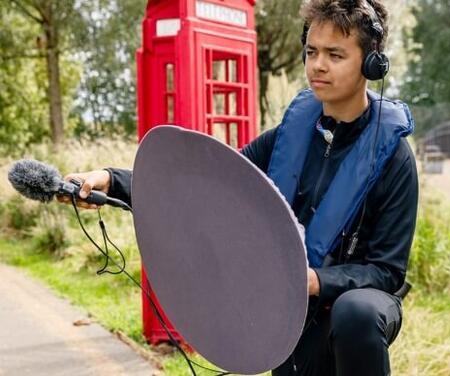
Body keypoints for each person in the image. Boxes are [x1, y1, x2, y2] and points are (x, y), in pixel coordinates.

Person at [59, 0, 418, 375]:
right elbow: (209, 188)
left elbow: (386, 271)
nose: (318, 65)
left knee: (355, 312)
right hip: (291, 307)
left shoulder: (393, 159)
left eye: (335, 54)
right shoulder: (289, 138)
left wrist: (314, 281)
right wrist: (110, 180)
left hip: (352, 306)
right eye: (311, 51)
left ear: (371, 62)